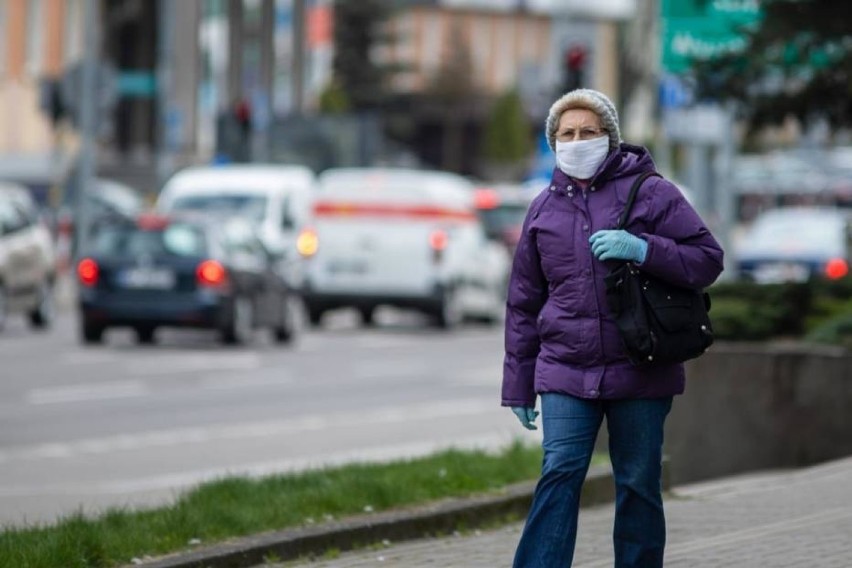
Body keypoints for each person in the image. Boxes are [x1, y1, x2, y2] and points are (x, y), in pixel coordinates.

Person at [502, 88, 724, 567]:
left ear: (611, 138)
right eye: (567, 134)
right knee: (559, 470)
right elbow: (523, 303)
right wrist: (518, 385)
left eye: (588, 132)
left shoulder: (653, 192)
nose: (577, 142)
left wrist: (644, 249)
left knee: (638, 482)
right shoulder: (543, 207)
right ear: (553, 142)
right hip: (565, 367)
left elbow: (708, 260)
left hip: (640, 365)